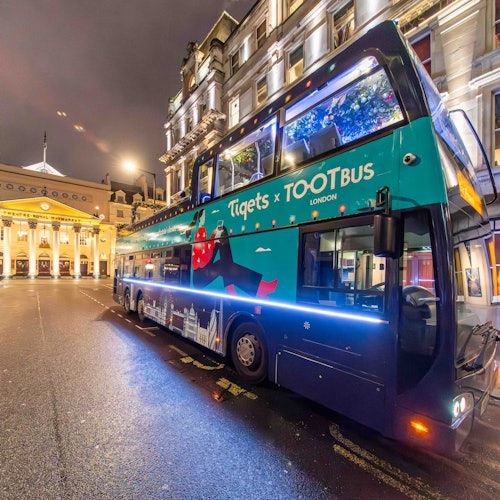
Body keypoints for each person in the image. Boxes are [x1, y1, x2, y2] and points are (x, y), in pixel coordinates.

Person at [186, 209, 277, 297]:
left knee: (224, 259)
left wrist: (215, 237)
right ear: (200, 218)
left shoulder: (202, 231)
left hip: (204, 272)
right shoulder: (199, 233)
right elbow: (203, 258)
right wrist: (215, 240)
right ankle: (259, 286)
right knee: (224, 260)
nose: (205, 217)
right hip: (199, 277)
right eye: (204, 216)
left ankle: (231, 286)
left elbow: (206, 250)